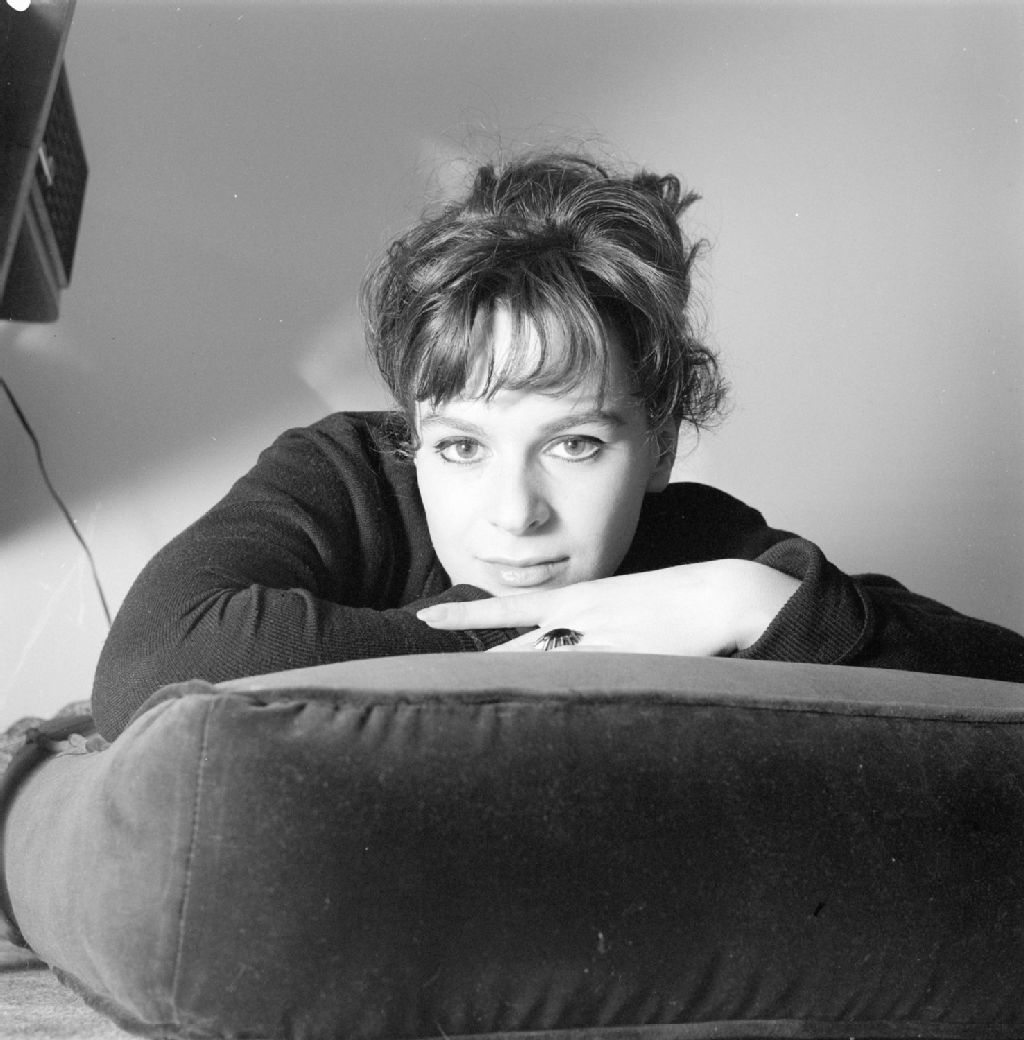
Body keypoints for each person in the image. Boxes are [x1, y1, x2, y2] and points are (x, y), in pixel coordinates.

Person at [91, 151, 1024, 739]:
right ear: (413, 433)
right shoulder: (346, 474)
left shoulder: (696, 548)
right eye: (461, 447)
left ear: (658, 449)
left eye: (574, 445)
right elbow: (147, 669)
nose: (514, 514)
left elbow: (1001, 678)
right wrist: (555, 634)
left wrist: (747, 600)